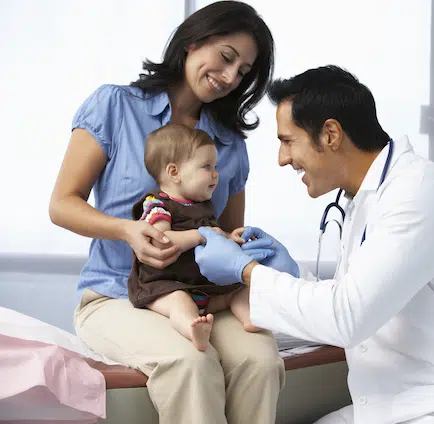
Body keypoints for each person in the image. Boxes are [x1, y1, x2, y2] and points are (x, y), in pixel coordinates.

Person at [193, 66, 434, 424]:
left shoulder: (419, 193)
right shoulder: (365, 199)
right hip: (395, 407)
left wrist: (247, 271)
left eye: (288, 140)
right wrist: (292, 274)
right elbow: (357, 297)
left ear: (331, 134)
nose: (282, 158)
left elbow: (348, 316)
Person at [48, 2, 284, 424]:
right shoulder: (115, 106)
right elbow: (62, 203)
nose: (230, 77)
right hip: (116, 294)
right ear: (193, 42)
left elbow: (226, 236)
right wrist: (127, 230)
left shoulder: (229, 143)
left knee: (262, 360)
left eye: (243, 72)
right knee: (190, 363)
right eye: (226, 58)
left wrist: (247, 252)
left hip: (203, 296)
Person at [128, 123, 264, 352]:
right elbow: (161, 239)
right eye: (207, 166)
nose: (215, 174)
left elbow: (213, 238)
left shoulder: (203, 206)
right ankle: (192, 328)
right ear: (174, 172)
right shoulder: (157, 204)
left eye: (216, 166)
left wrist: (229, 237)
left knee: (240, 289)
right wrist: (202, 235)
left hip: (204, 287)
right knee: (180, 303)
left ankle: (249, 317)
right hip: (164, 285)